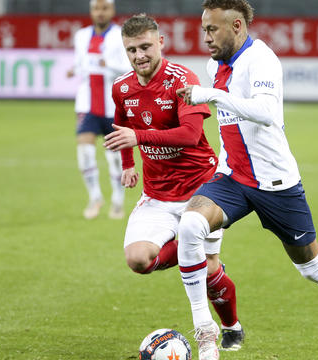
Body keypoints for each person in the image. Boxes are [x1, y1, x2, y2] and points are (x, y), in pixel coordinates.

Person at [174, 1, 318, 359]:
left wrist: (211, 95)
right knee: (191, 224)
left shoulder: (262, 59)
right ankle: (205, 334)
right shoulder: (215, 65)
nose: (205, 37)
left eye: (212, 29)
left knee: (312, 268)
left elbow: (267, 112)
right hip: (233, 177)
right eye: (203, 29)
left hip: (274, 183)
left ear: (237, 26)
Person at [102, 14, 245, 351]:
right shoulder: (121, 88)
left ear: (161, 43)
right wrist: (127, 164)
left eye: (146, 47)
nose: (140, 56)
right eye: (132, 50)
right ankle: (192, 253)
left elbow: (190, 134)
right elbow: (121, 128)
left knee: (209, 271)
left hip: (203, 191)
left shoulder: (182, 79)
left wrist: (139, 137)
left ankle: (231, 326)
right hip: (157, 194)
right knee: (138, 260)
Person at [66, 0, 131, 220]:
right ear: (91, 11)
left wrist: (107, 65)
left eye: (104, 8)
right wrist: (73, 69)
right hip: (86, 103)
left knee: (114, 157)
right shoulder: (81, 36)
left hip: (112, 104)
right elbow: (80, 63)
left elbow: (129, 67)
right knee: (84, 151)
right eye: (96, 8)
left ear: (112, 10)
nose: (100, 12)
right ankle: (95, 197)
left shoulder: (121, 36)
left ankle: (117, 201)